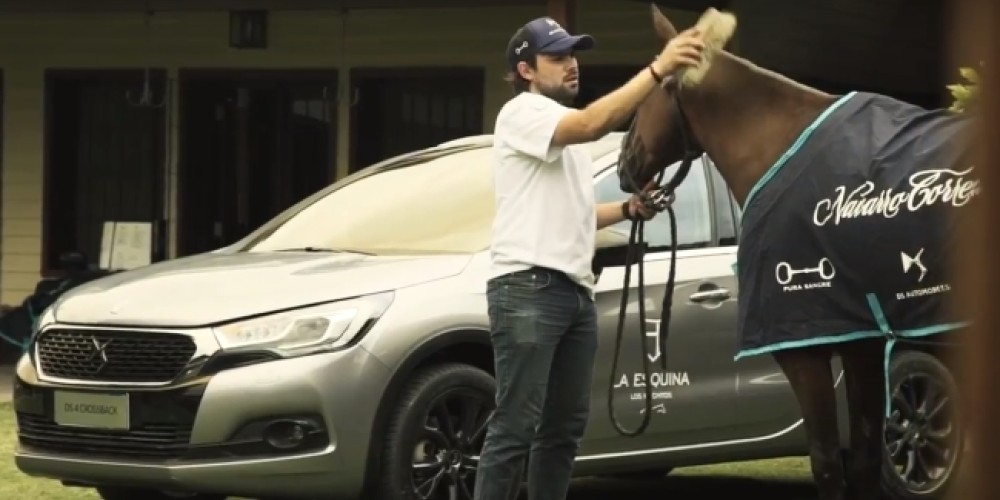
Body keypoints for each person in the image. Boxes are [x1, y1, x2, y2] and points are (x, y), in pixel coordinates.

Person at [474, 15, 706, 500]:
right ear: (526, 71)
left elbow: (578, 212)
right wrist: (659, 68)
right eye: (557, 58)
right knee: (516, 425)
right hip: (528, 287)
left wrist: (628, 208)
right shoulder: (523, 113)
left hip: (573, 291)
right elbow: (591, 122)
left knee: (562, 430)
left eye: (573, 55)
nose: (571, 65)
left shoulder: (563, 134)